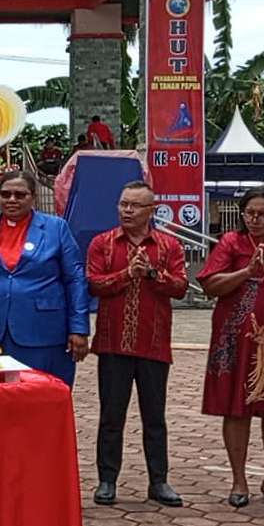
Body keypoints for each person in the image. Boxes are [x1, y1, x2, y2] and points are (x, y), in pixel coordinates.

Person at [86, 181, 187, 507]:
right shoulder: (102, 243)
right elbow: (94, 284)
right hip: (113, 344)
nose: (127, 211)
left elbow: (181, 287)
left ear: (151, 211)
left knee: (154, 417)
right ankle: (107, 480)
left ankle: (159, 481)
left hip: (154, 344)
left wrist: (152, 274)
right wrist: (128, 274)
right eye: (123, 204)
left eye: (135, 206)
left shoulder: (169, 246)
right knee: (111, 416)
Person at [0, 170, 89, 386]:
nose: (12, 200)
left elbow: (75, 279)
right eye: (6, 194)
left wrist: (78, 328)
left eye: (20, 195)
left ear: (33, 197)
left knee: (40, 398)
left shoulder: (56, 228)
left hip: (41, 331)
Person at [197, 187, 264, 508]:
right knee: (236, 407)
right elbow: (209, 284)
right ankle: (238, 481)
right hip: (233, 338)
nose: (255, 219)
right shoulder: (231, 242)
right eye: (249, 214)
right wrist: (247, 272)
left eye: (262, 214)